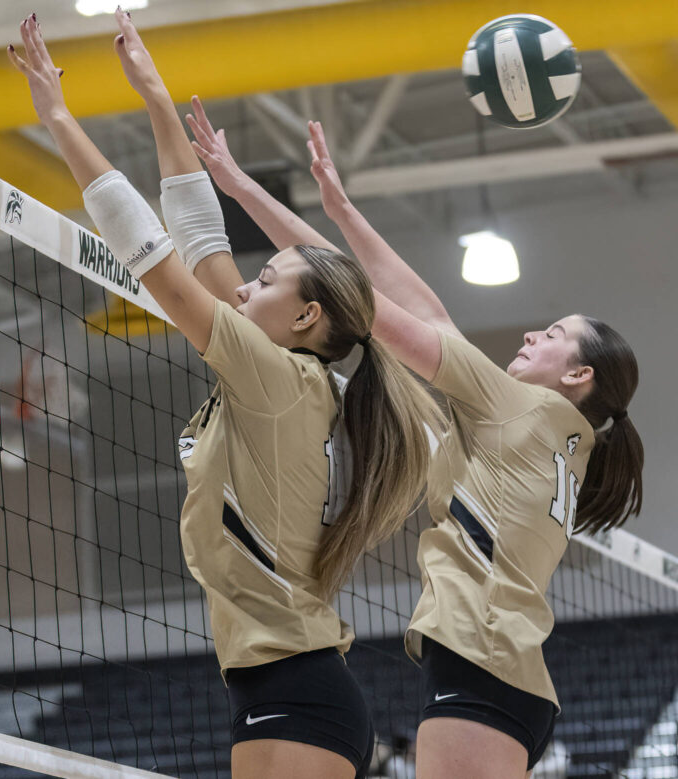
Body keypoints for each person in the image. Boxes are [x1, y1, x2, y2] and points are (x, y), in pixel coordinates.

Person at [8, 13, 442, 779]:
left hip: (299, 689)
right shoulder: (278, 374)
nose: (245, 285)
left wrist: (59, 120)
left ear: (306, 318)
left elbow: (154, 255)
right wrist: (156, 98)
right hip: (272, 686)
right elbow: (203, 238)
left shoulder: (280, 379)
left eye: (266, 280)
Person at [186, 103, 644, 779]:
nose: (530, 334)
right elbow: (418, 306)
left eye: (551, 335)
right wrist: (340, 209)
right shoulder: (559, 437)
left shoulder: (518, 406)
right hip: (500, 674)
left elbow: (361, 304)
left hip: (481, 668)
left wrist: (246, 192)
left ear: (578, 375)